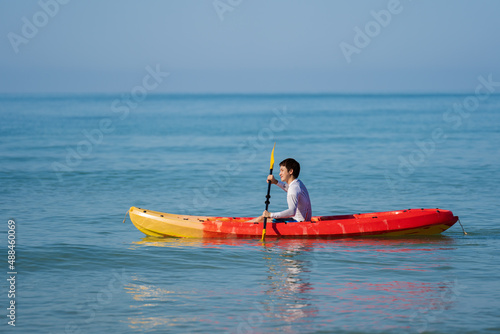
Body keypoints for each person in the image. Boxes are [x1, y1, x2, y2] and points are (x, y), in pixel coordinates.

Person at [255, 158, 312, 223]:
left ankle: (241, 229)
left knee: (260, 220)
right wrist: (275, 182)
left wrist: (271, 214)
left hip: (298, 224)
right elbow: (289, 189)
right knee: (261, 218)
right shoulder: (298, 184)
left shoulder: (293, 189)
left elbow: (292, 212)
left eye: (282, 170)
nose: (280, 174)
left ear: (290, 171)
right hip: (303, 221)